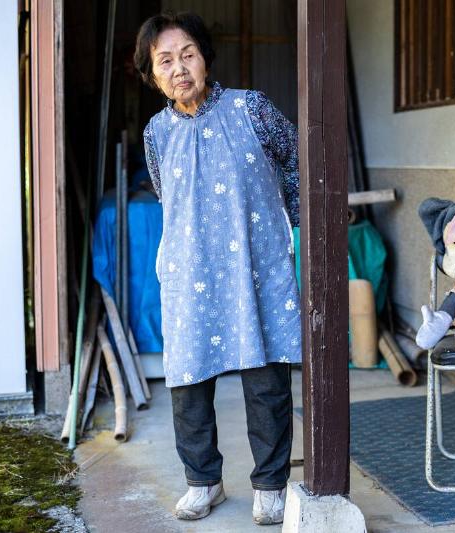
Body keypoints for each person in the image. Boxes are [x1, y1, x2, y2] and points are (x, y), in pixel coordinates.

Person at [134, 12, 301, 524]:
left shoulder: (251, 108)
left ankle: (271, 484)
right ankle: (202, 481)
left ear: (205, 57)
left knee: (266, 381)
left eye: (188, 54)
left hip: (257, 264)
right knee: (186, 384)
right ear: (153, 75)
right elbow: (170, 197)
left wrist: (297, 224)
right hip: (189, 270)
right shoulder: (156, 133)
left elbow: (295, 158)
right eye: (166, 61)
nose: (180, 67)